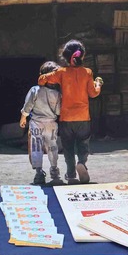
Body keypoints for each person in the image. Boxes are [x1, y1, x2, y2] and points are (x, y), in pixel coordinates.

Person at [38, 40, 103, 184]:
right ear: (82, 56)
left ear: (66, 57)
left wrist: (49, 79)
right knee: (83, 144)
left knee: (68, 148)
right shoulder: (87, 72)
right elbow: (93, 94)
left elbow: (41, 80)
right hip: (83, 117)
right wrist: (98, 84)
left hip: (66, 119)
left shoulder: (61, 72)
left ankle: (71, 174)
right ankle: (81, 162)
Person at [19, 61, 63, 186]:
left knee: (36, 147)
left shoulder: (35, 90)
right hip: (51, 124)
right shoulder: (58, 94)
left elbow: (28, 106)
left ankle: (39, 173)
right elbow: (59, 111)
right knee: (52, 147)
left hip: (36, 124)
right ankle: (54, 172)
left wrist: (23, 118)